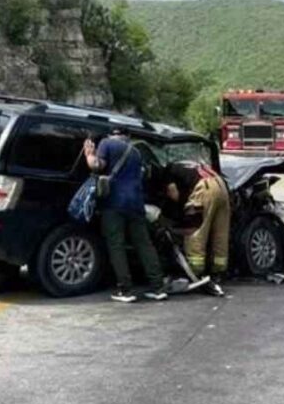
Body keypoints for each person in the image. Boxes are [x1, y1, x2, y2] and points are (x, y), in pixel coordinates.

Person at [84, 128, 167, 303]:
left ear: (111, 135)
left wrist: (89, 155)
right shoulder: (136, 151)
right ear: (127, 137)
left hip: (114, 204)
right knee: (144, 244)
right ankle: (157, 287)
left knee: (116, 245)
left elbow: (97, 165)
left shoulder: (106, 144)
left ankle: (125, 289)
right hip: (136, 204)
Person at [163, 160, 230, 296]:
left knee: (196, 231)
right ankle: (218, 271)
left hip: (204, 189)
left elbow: (173, 193)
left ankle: (196, 271)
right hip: (220, 185)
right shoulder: (189, 164)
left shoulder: (167, 170)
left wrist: (181, 208)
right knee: (220, 233)